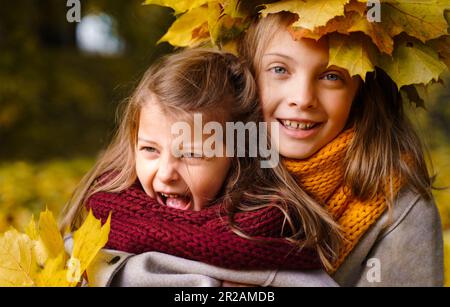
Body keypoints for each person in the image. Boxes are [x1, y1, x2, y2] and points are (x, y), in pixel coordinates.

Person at [60, 48, 341, 287]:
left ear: (238, 156)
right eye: (149, 150)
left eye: (192, 154)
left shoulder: (265, 239)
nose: (166, 173)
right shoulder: (107, 215)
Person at [237, 12, 444, 286]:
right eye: (279, 70)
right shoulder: (201, 173)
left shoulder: (401, 206)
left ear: (360, 91)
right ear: (246, 76)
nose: (303, 99)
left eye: (331, 76)